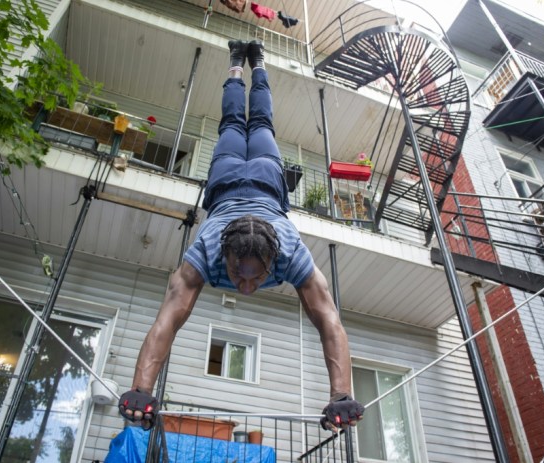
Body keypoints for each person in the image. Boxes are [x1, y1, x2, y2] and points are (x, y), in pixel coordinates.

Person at [118, 40, 364, 432]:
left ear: (274, 261)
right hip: (256, 175)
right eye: (239, 276)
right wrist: (141, 389)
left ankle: (251, 62)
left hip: (241, 175)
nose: (247, 287)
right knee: (249, 124)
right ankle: (242, 63)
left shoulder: (289, 251)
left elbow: (328, 319)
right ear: (223, 258)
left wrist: (342, 395)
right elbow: (170, 315)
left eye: (255, 276)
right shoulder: (208, 250)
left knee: (244, 124)